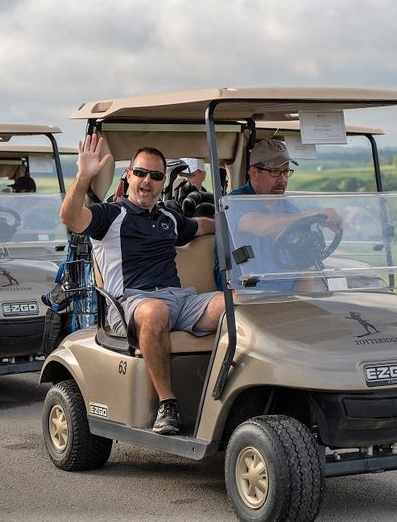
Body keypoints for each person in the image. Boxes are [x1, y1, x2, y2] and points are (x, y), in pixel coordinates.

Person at [60, 133, 225, 435]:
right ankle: (168, 405)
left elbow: (199, 226)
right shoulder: (110, 215)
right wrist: (84, 176)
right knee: (155, 312)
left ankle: (230, 398)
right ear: (128, 175)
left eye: (155, 175)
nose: (147, 181)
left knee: (234, 303)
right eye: (140, 173)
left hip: (179, 300)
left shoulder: (168, 218)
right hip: (129, 304)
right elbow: (70, 217)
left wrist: (231, 224)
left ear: (163, 181)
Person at [214, 139, 342, 290]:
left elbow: (305, 265)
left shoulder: (288, 208)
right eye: (275, 172)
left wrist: (302, 301)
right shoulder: (233, 202)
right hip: (245, 296)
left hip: (285, 299)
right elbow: (261, 226)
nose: (283, 179)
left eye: (286, 172)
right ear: (254, 173)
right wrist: (313, 214)